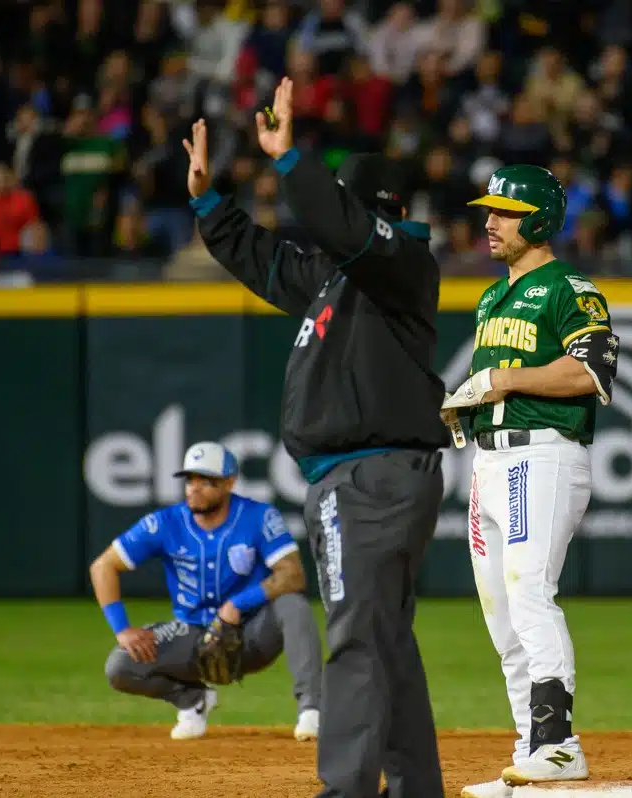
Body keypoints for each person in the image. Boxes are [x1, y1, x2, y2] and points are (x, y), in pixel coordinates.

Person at [184, 77, 449, 798]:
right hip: (367, 477)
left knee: (359, 639)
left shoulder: (398, 265)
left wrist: (288, 158)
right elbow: (262, 260)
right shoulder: (338, 282)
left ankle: (347, 789)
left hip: (369, 477)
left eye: (339, 199)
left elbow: (344, 227)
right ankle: (416, 787)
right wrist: (209, 200)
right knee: (385, 639)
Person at [441, 165, 621, 798]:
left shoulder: (569, 287)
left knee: (528, 593)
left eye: (504, 212)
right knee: (501, 618)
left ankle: (558, 745)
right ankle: (531, 752)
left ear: (539, 218)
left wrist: (506, 381)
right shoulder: (493, 296)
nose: (488, 222)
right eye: (488, 210)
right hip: (489, 462)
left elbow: (594, 370)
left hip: (540, 457)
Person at [89, 441, 323, 742]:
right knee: (120, 666)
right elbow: (103, 566)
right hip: (194, 635)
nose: (195, 488)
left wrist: (238, 604)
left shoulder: (258, 517)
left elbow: (293, 575)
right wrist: (121, 629)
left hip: (252, 633)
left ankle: (311, 710)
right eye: (190, 480)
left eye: (206, 481)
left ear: (229, 483)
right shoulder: (165, 523)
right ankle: (192, 700)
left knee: (294, 605)